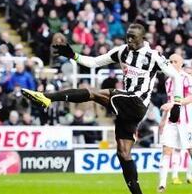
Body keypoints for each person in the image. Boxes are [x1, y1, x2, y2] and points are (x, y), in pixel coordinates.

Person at [21, 23, 183, 194]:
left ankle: (47, 97)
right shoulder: (122, 51)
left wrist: (177, 104)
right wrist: (73, 55)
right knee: (123, 153)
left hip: (137, 102)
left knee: (94, 93)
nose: (129, 40)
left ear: (142, 38)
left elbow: (176, 76)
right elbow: (94, 62)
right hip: (126, 106)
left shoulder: (154, 56)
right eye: (127, 36)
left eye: (133, 37)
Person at [158, 54, 192, 192]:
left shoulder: (187, 78)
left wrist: (172, 103)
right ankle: (162, 185)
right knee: (166, 150)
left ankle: (188, 175)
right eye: (170, 61)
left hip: (186, 121)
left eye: (175, 61)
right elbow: (169, 101)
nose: (172, 63)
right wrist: (162, 120)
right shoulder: (168, 81)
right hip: (171, 121)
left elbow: (190, 97)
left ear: (181, 63)